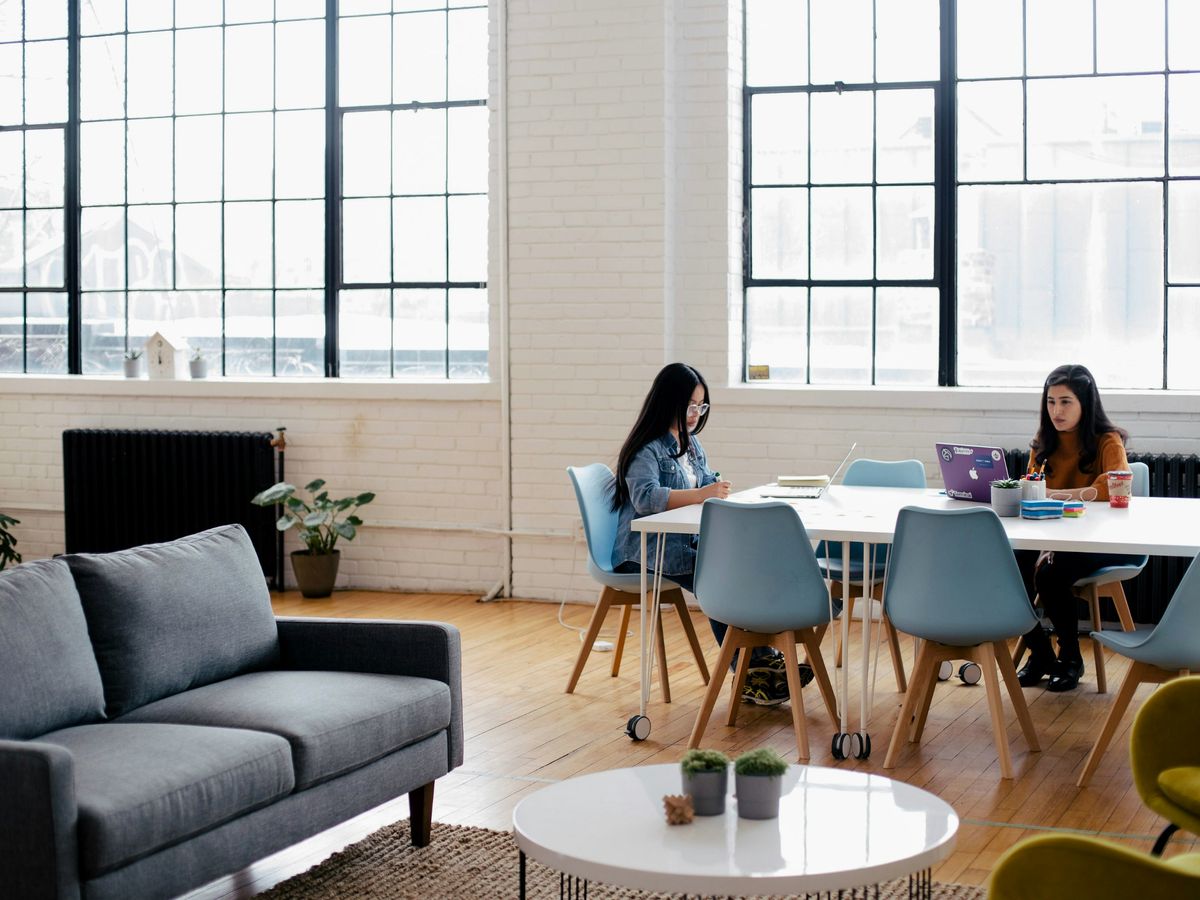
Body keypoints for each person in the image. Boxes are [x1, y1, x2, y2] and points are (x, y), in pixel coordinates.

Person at [610, 362, 809, 706]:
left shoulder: (693, 445)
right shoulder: (647, 448)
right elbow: (645, 500)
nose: (695, 414)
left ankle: (760, 664)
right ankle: (751, 670)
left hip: (684, 544)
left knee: (740, 567)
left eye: (701, 407)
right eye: (690, 406)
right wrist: (704, 494)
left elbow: (702, 486)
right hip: (645, 552)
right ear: (667, 401)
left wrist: (712, 489)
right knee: (721, 578)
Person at [1015, 363, 1136, 692]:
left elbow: (1115, 485)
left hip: (1100, 541)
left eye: (1066, 401)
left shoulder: (1107, 441)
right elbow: (1032, 486)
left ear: (1086, 403)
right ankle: (1039, 652)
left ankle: (1070, 657)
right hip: (1051, 536)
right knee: (1008, 568)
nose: (1056, 410)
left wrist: (1057, 495)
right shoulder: (1043, 443)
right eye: (1051, 402)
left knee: (1049, 574)